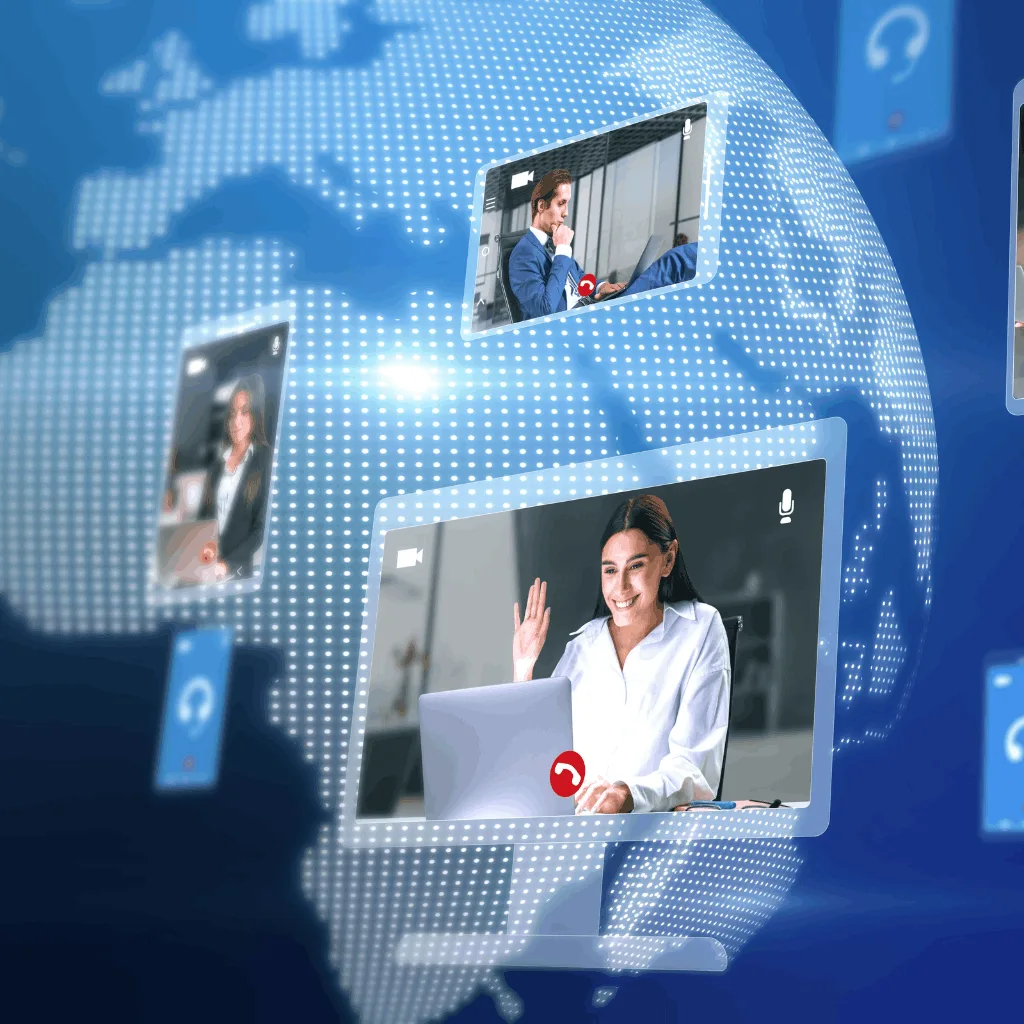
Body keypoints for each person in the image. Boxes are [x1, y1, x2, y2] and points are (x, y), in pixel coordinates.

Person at [511, 494, 730, 814]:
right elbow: (540, 758)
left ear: (668, 559)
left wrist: (626, 795)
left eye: (636, 565)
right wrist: (523, 672)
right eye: (610, 570)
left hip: (646, 832)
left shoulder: (700, 629)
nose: (621, 587)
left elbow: (694, 771)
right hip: (577, 827)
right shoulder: (583, 646)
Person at [507, 169, 699, 321]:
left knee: (673, 274)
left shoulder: (552, 243)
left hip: (593, 306)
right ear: (541, 206)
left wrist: (601, 287)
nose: (565, 213)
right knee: (677, 261)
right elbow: (545, 310)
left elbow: (580, 281)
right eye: (561, 203)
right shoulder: (523, 254)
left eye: (568, 204)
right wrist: (563, 251)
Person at [199, 374, 272, 580]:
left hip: (237, 571)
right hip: (207, 568)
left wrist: (226, 564)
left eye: (245, 413)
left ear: (256, 415)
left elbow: (259, 530)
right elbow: (203, 519)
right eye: (232, 414)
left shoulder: (264, 461)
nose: (236, 422)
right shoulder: (216, 467)